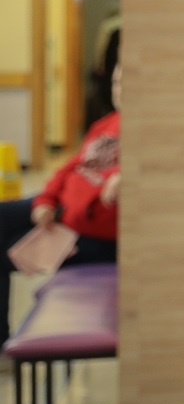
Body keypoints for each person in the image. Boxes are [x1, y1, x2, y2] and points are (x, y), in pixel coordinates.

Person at [3, 62, 120, 336]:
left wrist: (64, 227)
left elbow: (103, 217)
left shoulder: (147, 135)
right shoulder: (106, 124)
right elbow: (71, 167)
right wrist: (45, 201)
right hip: (62, 213)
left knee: (4, 250)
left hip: (89, 236)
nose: (121, 90)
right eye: (116, 82)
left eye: (128, 83)